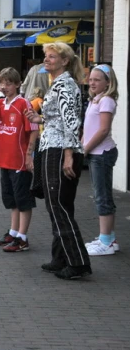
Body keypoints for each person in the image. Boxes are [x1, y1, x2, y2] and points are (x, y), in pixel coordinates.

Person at [24, 42, 91, 280]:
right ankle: (60, 257)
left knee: (59, 206)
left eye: (52, 57)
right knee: (57, 205)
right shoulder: (57, 84)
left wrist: (69, 155)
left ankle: (78, 262)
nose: (47, 60)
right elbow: (57, 119)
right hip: (51, 146)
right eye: (46, 56)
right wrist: (39, 117)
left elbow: (71, 122)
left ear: (64, 61)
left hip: (59, 150)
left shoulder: (65, 84)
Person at [0, 68, 38, 253]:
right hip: (4, 160)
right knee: (12, 199)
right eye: (3, 83)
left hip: (19, 160)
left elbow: (34, 130)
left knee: (23, 199)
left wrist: (30, 155)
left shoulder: (23, 103)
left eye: (9, 83)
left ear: (17, 84)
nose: (5, 87)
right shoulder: (0, 104)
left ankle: (22, 238)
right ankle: (13, 232)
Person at [82, 64, 120, 256]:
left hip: (101, 154)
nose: (92, 82)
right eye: (91, 79)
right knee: (101, 195)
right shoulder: (95, 100)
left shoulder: (106, 101)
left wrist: (86, 149)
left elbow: (103, 130)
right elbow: (88, 128)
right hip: (96, 154)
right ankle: (109, 238)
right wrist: (82, 144)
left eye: (97, 80)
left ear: (108, 83)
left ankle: (106, 241)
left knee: (102, 197)